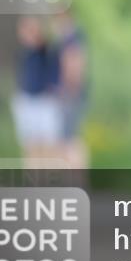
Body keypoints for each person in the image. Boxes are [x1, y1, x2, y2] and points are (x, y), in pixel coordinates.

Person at [12, 16, 64, 163]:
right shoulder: (22, 52)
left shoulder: (46, 50)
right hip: (26, 100)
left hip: (45, 101)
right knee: (29, 144)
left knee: (49, 144)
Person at [52, 9, 89, 168]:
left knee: (69, 140)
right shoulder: (70, 39)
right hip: (70, 93)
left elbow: (75, 66)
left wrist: (68, 89)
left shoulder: (71, 39)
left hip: (69, 94)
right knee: (67, 138)